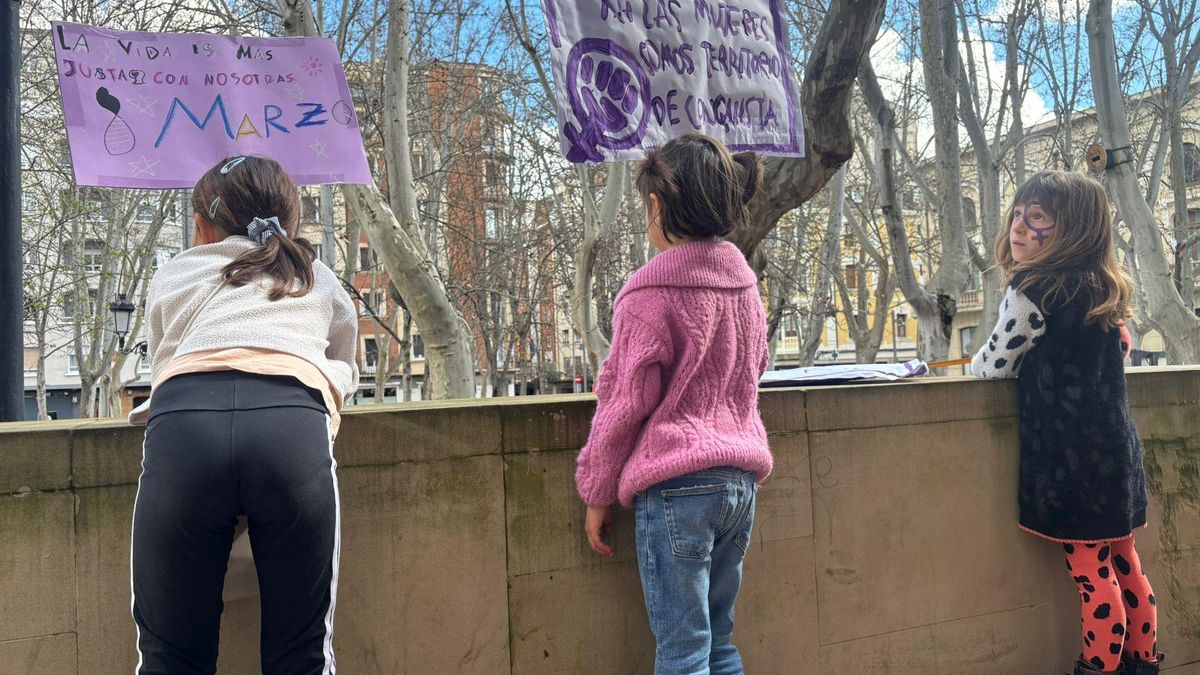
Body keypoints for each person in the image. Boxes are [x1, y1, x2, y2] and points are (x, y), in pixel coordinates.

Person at [129, 155, 359, 674]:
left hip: (186, 426)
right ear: (291, 218)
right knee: (303, 655)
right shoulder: (317, 276)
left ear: (202, 226)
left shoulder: (175, 272)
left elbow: (165, 356)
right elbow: (344, 364)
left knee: (169, 657)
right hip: (291, 428)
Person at [575, 133, 774, 674]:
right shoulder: (745, 288)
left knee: (683, 654)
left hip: (677, 486)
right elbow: (755, 368)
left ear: (657, 205)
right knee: (720, 644)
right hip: (739, 484)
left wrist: (597, 490)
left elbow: (622, 403)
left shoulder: (648, 293)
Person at [971, 171, 1161, 675]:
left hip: (1072, 462)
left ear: (1072, 228)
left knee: (1092, 577)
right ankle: (1143, 663)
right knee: (1127, 567)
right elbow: (1119, 350)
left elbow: (991, 366)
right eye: (1018, 214)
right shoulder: (1106, 291)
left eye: (1037, 217)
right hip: (1117, 453)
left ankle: (1098, 668)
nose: (1018, 226)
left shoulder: (1033, 291)